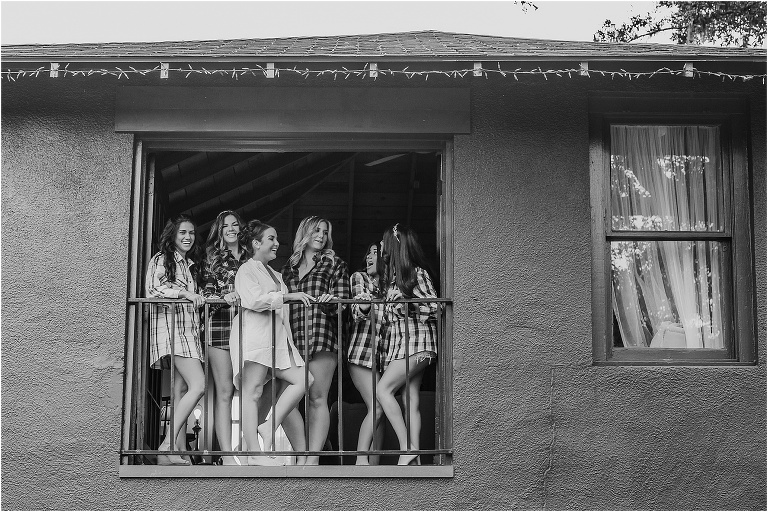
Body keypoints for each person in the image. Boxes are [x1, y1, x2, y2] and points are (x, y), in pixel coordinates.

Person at [230, 219, 315, 466]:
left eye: (276, 239)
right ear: (256, 243)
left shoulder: (276, 274)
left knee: (304, 379)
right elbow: (254, 300)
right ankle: (253, 454)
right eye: (271, 239)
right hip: (255, 336)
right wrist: (288, 296)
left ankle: (269, 426)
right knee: (253, 392)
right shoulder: (246, 270)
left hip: (277, 341)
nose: (277, 243)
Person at [281, 216, 350, 465]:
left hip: (322, 334)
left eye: (325, 231)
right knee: (285, 400)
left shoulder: (334, 264)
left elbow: (344, 304)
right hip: (291, 337)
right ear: (305, 233)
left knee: (317, 398)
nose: (321, 235)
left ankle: (311, 462)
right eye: (316, 230)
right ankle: (303, 453)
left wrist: (332, 302)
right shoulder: (288, 268)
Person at [145, 214, 206, 466]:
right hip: (173, 332)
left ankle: (177, 450)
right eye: (182, 232)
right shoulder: (162, 259)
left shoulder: (189, 265)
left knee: (181, 390)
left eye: (191, 233)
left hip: (188, 332)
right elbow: (152, 290)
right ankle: (167, 445)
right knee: (198, 385)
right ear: (173, 235)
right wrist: (184, 293)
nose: (188, 237)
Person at [376, 224, 438, 466]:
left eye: (383, 243)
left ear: (393, 245)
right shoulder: (393, 279)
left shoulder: (416, 273)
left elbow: (436, 307)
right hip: (404, 345)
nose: (381, 246)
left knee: (383, 390)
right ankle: (414, 458)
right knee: (409, 397)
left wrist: (409, 300)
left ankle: (407, 448)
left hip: (418, 344)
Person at [202, 210, 248, 466]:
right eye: (225, 226)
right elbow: (206, 296)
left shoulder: (252, 257)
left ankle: (247, 447)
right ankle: (227, 455)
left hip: (248, 328)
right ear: (219, 231)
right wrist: (224, 297)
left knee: (252, 387)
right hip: (219, 327)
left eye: (235, 225)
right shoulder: (212, 258)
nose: (231, 229)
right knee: (225, 391)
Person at [347, 242, 387, 465]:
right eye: (368, 252)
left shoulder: (391, 286)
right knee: (378, 407)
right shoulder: (360, 277)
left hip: (383, 359)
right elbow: (358, 309)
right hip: (361, 355)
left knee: (380, 412)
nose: (369, 257)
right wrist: (363, 306)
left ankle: (375, 465)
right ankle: (361, 461)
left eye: (375, 252)